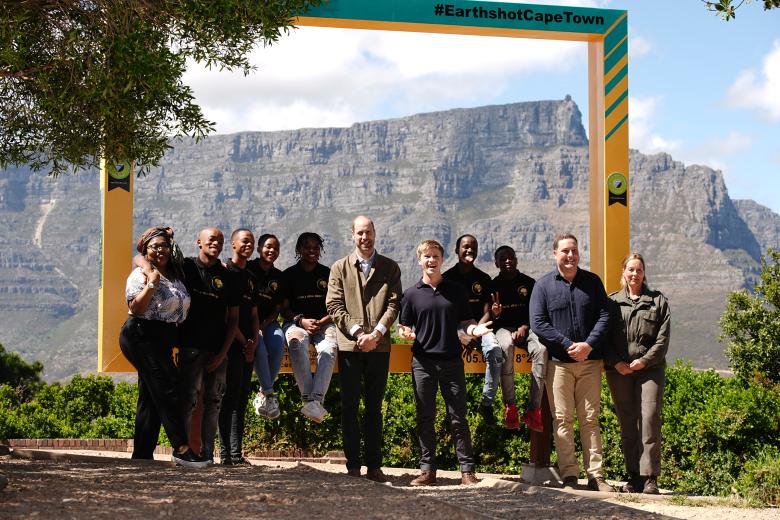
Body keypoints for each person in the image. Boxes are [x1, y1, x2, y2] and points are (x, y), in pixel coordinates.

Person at [398, 239, 492, 487]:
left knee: (458, 416)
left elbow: (465, 322)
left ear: (442, 260)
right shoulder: (410, 294)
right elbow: (403, 326)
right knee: (424, 416)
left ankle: (467, 471)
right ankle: (428, 471)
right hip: (422, 363)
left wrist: (474, 330)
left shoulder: (456, 290)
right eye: (427, 256)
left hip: (452, 361)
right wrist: (404, 333)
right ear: (419, 260)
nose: (431, 261)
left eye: (436, 256)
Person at [529, 233, 615, 492]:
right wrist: (568, 345)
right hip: (559, 364)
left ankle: (596, 476)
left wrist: (588, 344)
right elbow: (538, 323)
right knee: (562, 420)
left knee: (590, 419)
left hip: (590, 362)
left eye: (574, 251)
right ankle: (569, 476)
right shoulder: (543, 286)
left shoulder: (592, 282)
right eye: (565, 251)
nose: (570, 255)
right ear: (555, 254)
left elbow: (605, 314)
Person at [119, 226, 208, 467]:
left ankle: (142, 455)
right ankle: (181, 448)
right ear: (146, 251)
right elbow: (136, 308)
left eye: (164, 245)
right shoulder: (141, 275)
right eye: (154, 246)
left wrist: (166, 234)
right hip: (140, 333)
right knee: (168, 388)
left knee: (151, 394)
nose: (160, 250)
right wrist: (152, 282)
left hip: (163, 337)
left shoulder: (176, 273)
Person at [326, 216, 402, 482]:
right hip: (350, 347)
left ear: (375, 233)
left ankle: (374, 466)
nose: (364, 238)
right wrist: (359, 333)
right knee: (349, 407)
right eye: (360, 233)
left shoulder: (390, 268)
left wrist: (376, 334)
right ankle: (353, 466)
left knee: (374, 407)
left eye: (368, 232)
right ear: (352, 236)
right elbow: (334, 306)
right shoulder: (339, 268)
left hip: (379, 349)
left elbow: (393, 305)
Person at [172, 228, 239, 462]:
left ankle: (207, 454)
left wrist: (222, 354)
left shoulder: (227, 276)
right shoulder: (186, 268)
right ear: (199, 242)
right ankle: (182, 452)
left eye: (220, 240)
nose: (216, 243)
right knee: (188, 400)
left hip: (217, 350)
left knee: (214, 402)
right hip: (190, 347)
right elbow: (148, 256)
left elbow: (233, 319)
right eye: (211, 239)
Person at [606, 253, 670, 495]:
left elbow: (662, 340)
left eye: (639, 270)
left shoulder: (658, 302)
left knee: (650, 419)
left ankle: (650, 477)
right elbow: (604, 338)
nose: (635, 274)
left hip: (650, 370)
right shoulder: (611, 302)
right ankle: (633, 475)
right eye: (631, 269)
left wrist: (643, 361)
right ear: (624, 271)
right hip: (619, 371)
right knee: (627, 422)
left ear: (644, 273)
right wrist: (617, 363)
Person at [442, 235, 518, 428]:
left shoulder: (483, 279)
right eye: (465, 247)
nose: (469, 251)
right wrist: (461, 335)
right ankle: (448, 410)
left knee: (494, 350)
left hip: (480, 327)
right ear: (457, 249)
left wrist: (474, 332)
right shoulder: (447, 278)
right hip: (455, 329)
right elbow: (444, 314)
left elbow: (487, 312)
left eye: (473, 247)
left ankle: (486, 404)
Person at [281, 232, 337, 423]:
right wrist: (301, 321)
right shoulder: (288, 275)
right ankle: (311, 401)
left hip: (324, 324)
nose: (312, 251)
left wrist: (321, 322)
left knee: (329, 350)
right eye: (307, 247)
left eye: (316, 247)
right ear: (299, 250)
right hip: (297, 323)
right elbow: (284, 309)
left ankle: (314, 401)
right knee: (296, 342)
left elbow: (336, 306)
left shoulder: (328, 273)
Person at [491, 245, 548, 432]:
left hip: (527, 328)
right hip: (503, 330)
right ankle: (511, 407)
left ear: (516, 260)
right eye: (502, 258)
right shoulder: (494, 285)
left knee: (542, 350)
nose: (507, 261)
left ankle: (534, 409)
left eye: (511, 257)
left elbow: (538, 312)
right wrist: (496, 314)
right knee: (505, 346)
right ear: (496, 263)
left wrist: (525, 327)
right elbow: (490, 319)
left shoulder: (530, 283)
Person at [217, 229, 260, 465]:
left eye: (252, 242)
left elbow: (253, 313)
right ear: (233, 244)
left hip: (248, 348)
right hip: (231, 346)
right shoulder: (225, 272)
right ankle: (225, 454)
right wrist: (245, 342)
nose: (249, 245)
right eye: (245, 241)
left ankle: (236, 453)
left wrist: (254, 340)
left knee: (241, 399)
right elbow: (227, 315)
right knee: (229, 398)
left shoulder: (251, 277)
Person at [248, 234, 285, 419]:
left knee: (278, 343)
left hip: (268, 322)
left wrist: (266, 323)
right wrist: (256, 326)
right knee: (260, 348)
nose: (272, 251)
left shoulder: (278, 276)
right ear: (259, 248)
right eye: (268, 246)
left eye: (276, 248)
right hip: (248, 322)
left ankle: (263, 393)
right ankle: (269, 394)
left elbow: (277, 307)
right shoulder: (249, 269)